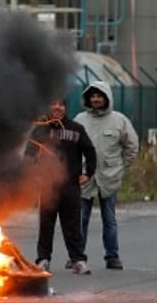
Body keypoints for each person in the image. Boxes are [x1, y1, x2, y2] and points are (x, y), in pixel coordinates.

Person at [26, 99, 96, 275]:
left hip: (71, 186)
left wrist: (88, 173)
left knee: (72, 225)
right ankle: (43, 260)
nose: (57, 107)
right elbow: (29, 155)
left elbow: (90, 151)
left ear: (66, 108)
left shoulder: (76, 129)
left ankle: (78, 260)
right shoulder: (40, 130)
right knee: (46, 224)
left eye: (62, 104)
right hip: (48, 186)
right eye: (53, 103)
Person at [74, 81, 139, 270]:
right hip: (85, 177)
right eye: (92, 96)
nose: (96, 99)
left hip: (109, 177)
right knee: (81, 218)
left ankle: (112, 256)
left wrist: (121, 167)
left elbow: (132, 146)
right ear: (88, 98)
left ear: (107, 97)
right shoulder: (80, 119)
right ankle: (77, 256)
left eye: (99, 95)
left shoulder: (119, 120)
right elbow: (71, 148)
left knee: (109, 219)